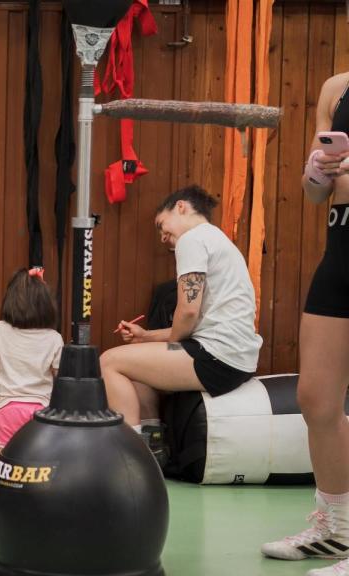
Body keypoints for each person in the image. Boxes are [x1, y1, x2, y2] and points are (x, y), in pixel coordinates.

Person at [100, 184, 262, 464]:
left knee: (108, 361)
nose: (162, 237)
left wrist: (169, 340)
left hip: (216, 356)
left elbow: (187, 312)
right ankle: (153, 449)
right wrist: (146, 336)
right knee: (135, 370)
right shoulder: (217, 239)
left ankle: (129, 458)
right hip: (229, 356)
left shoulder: (193, 240)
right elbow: (196, 323)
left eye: (162, 225)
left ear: (181, 207)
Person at [260, 72, 349, 576]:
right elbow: (315, 196)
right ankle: (335, 529)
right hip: (340, 252)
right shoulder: (336, 88)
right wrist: (317, 171)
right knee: (316, 398)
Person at [0, 268, 63, 459]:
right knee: (41, 457)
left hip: (8, 406)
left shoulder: (0, 329)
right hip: (42, 408)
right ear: (47, 304)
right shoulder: (54, 338)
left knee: (4, 457)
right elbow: (59, 375)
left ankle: (4, 486)